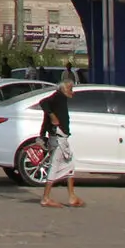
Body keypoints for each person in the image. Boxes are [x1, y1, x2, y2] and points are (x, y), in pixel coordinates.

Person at [37, 75, 82, 208]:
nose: (71, 91)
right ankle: (45, 198)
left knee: (70, 165)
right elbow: (43, 103)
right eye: (70, 88)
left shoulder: (58, 100)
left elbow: (45, 117)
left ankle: (72, 196)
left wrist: (42, 133)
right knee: (54, 166)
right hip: (58, 139)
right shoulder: (58, 97)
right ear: (63, 88)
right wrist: (52, 116)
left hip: (60, 138)